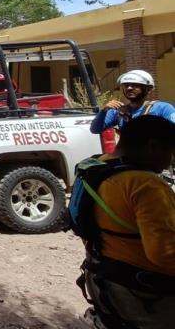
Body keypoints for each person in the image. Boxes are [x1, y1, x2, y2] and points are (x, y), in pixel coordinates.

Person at [76, 115, 175, 329]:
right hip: (146, 295)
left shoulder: (96, 168)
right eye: (170, 151)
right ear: (153, 146)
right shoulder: (145, 184)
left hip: (103, 280)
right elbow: (165, 256)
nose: (170, 160)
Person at [90, 70, 175, 134]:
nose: (129, 88)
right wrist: (104, 111)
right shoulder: (118, 111)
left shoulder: (162, 108)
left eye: (135, 85)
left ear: (148, 89)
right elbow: (95, 129)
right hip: (129, 156)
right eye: (126, 85)